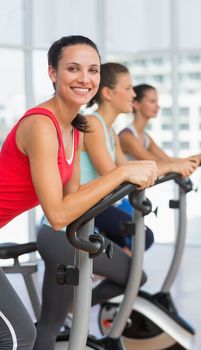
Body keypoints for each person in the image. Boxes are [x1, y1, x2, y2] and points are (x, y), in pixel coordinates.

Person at [0, 36, 157, 350]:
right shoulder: (41, 125)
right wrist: (121, 173)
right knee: (17, 337)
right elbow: (57, 215)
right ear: (53, 73)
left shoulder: (74, 128)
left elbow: (74, 200)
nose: (85, 79)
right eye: (73, 69)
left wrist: (120, 182)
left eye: (93, 70)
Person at [81, 63, 156, 252]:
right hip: (85, 208)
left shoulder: (110, 130)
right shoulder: (92, 124)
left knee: (137, 246)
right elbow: (113, 175)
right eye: (128, 88)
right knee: (143, 236)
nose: (133, 94)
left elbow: (125, 166)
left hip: (99, 205)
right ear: (108, 93)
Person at [119, 83, 201, 168]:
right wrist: (199, 158)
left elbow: (167, 160)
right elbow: (155, 163)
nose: (157, 106)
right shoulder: (127, 136)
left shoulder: (145, 137)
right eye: (152, 101)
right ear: (136, 104)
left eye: (157, 101)